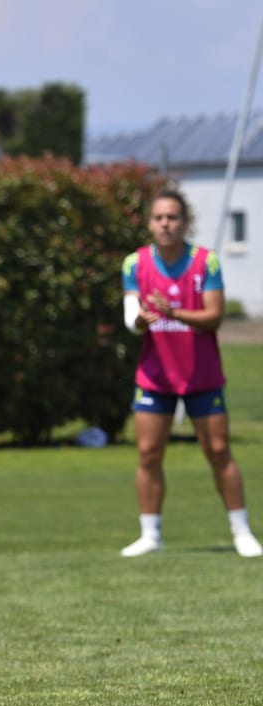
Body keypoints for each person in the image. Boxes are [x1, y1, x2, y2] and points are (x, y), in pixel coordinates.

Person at [119, 189, 261, 558]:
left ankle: (241, 531)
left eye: (173, 217)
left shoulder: (205, 263)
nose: (166, 224)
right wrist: (139, 320)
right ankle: (151, 534)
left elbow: (213, 317)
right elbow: (131, 319)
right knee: (149, 453)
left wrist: (174, 313)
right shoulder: (135, 263)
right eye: (159, 218)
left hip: (201, 374)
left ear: (185, 222)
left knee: (218, 451)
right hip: (155, 375)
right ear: (150, 223)